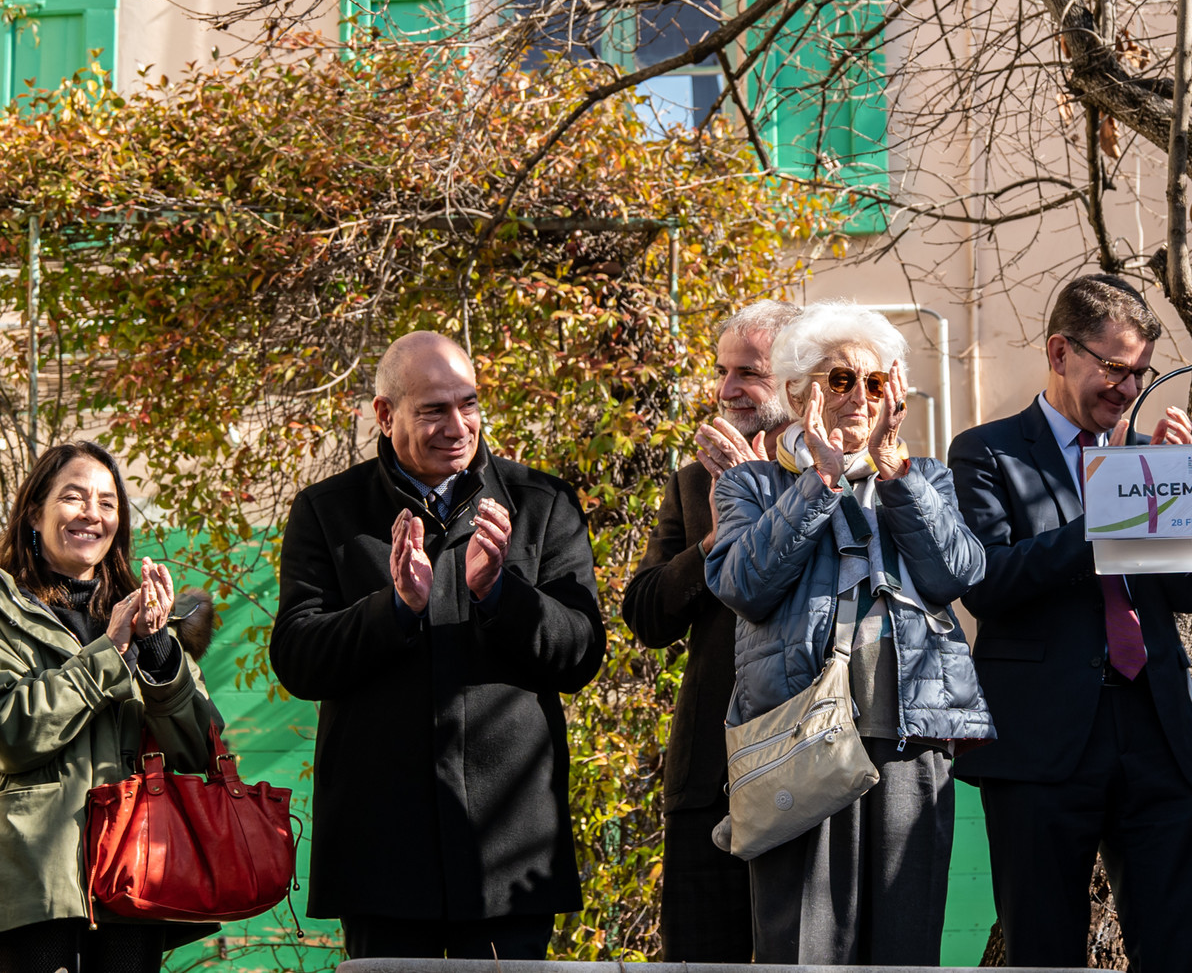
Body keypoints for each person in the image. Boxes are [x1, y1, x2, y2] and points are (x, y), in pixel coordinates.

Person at [271, 331, 606, 961]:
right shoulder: (328, 512)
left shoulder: (539, 503)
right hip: (382, 858)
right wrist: (395, 608)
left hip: (511, 854)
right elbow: (297, 659)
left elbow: (581, 653)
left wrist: (499, 594)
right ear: (384, 414)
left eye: (468, 403)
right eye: (433, 410)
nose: (458, 426)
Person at [706, 300, 994, 965]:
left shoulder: (924, 478)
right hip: (799, 738)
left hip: (909, 736)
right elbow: (743, 585)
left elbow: (959, 573)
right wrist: (819, 482)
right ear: (798, 393)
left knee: (905, 944)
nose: (861, 397)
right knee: (805, 947)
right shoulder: (752, 485)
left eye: (876, 381)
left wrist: (897, 477)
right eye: (841, 380)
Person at [948, 274, 1192, 971]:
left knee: (1180, 951)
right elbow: (986, 583)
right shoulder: (986, 452)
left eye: (1141, 373)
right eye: (1115, 368)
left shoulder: (1147, 457)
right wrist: (1109, 508)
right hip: (1042, 742)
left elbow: (1189, 592)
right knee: (1044, 951)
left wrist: (1183, 495)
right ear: (1060, 352)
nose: (1129, 389)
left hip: (1159, 731)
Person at [0, 441, 224, 973]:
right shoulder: (6, 612)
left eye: (107, 502)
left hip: (136, 876)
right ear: (34, 512)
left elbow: (200, 750)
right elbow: (10, 735)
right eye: (73, 497)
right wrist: (108, 656)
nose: (91, 514)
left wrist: (158, 650)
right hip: (33, 886)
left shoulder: (145, 617)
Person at [621, 299, 799, 961]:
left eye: (748, 372)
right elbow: (645, 614)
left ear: (796, 377)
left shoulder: (835, 475)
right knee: (700, 960)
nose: (727, 389)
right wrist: (711, 543)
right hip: (710, 779)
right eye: (723, 371)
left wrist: (759, 502)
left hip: (812, 766)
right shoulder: (695, 484)